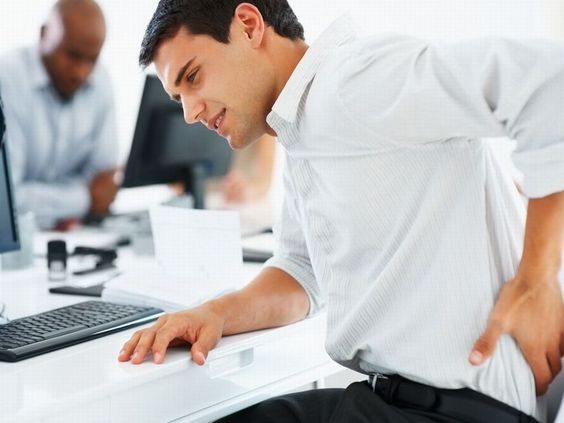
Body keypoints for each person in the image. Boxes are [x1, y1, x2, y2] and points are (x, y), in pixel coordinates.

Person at [118, 1, 564, 422]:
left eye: (193, 76)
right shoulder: (302, 131)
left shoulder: (357, 80)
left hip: (453, 409)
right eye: (178, 98)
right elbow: (300, 271)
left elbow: (551, 86)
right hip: (391, 400)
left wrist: (536, 281)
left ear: (249, 26)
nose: (190, 113)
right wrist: (214, 313)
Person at [0, 0, 118, 230]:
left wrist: (88, 197)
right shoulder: (7, 79)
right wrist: (85, 198)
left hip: (72, 234)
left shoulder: (101, 80)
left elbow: (104, 184)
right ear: (44, 34)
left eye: (92, 60)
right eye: (73, 55)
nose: (81, 72)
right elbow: (7, 199)